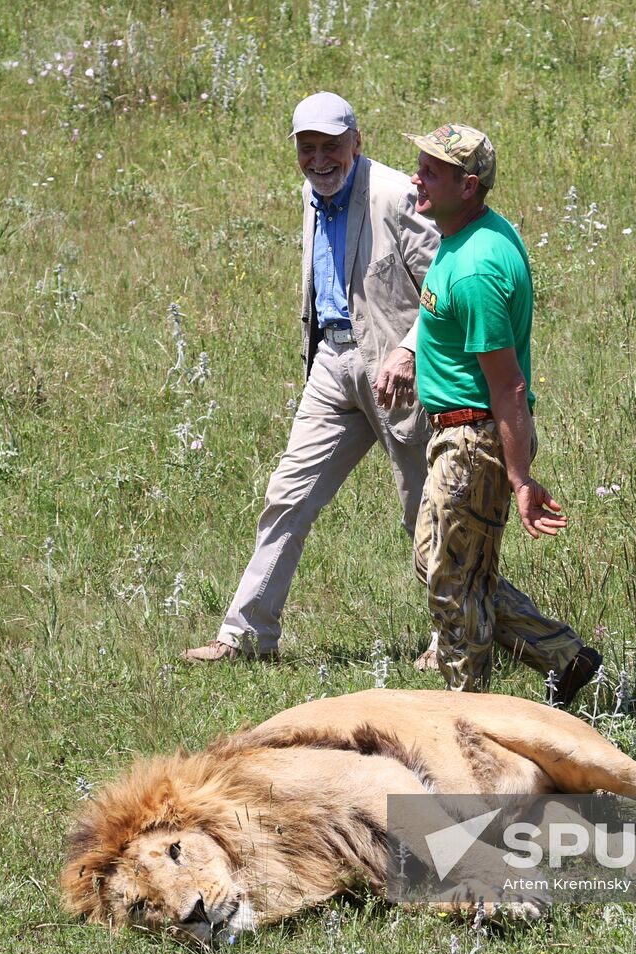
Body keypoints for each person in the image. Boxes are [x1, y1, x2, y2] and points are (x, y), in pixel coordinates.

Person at [184, 93, 440, 663]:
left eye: (331, 147)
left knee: (424, 509)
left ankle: (453, 639)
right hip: (332, 364)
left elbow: (444, 288)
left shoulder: (399, 196)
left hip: (399, 374)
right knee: (287, 495)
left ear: (357, 142)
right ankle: (246, 638)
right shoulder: (312, 191)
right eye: (308, 148)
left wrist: (408, 350)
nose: (320, 160)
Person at [398, 122, 601, 705]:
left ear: (468, 185)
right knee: (447, 565)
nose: (418, 176)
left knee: (453, 587)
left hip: (471, 441)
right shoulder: (473, 231)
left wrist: (517, 478)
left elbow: (508, 387)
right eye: (420, 165)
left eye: (431, 171)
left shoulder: (477, 268)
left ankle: (470, 721)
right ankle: (563, 654)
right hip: (456, 435)